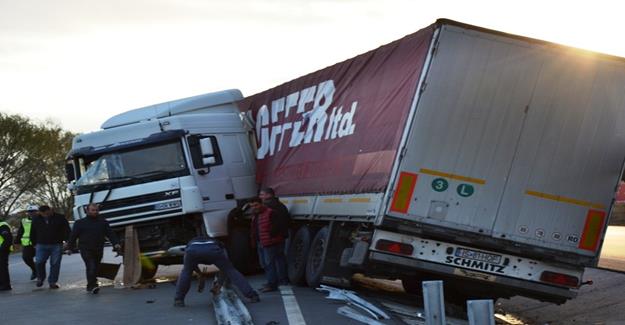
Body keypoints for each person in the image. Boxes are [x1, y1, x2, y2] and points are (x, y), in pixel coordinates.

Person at [174, 235, 259, 307]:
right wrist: (219, 285)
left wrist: (200, 275)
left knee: (186, 272)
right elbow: (225, 269)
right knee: (231, 271)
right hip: (213, 250)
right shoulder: (219, 244)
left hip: (192, 251)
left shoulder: (190, 244)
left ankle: (179, 300)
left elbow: (190, 267)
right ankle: (252, 295)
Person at [66, 203, 121, 294]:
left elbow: (110, 234)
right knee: (91, 266)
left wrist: (115, 243)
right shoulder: (80, 223)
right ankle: (92, 286)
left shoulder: (103, 222)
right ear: (87, 211)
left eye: (96, 210)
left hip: (98, 248)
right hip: (85, 248)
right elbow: (73, 236)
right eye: (93, 210)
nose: (95, 212)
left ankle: (91, 284)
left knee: (95, 267)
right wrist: (69, 248)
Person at [250, 197, 288, 292]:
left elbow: (277, 227)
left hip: (269, 242)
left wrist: (270, 237)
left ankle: (272, 284)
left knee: (269, 264)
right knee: (267, 263)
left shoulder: (270, 213)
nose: (254, 207)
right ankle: (275, 281)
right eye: (252, 206)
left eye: (256, 205)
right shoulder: (256, 215)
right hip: (263, 242)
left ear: (261, 203)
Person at [31, 205, 70, 289]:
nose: (46, 215)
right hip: (41, 244)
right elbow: (33, 232)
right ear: (40, 213)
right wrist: (34, 243)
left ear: (51, 210)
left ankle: (52, 282)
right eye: (43, 214)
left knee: (55, 264)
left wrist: (67, 242)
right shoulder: (36, 219)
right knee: (39, 262)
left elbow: (67, 230)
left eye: (47, 213)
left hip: (56, 244)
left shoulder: (60, 218)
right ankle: (40, 278)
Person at [14, 205, 38, 280]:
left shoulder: (41, 219)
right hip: (28, 243)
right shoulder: (24, 221)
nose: (31, 213)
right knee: (26, 258)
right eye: (30, 212)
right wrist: (17, 241)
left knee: (41, 260)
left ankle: (41, 275)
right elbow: (20, 231)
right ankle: (35, 270)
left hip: (39, 243)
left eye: (33, 211)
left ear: (37, 212)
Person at [0, 220, 13, 291]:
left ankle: (5, 285)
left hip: (3, 250)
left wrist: (1, 249)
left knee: (2, 267)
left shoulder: (2, 225)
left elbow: (8, 239)